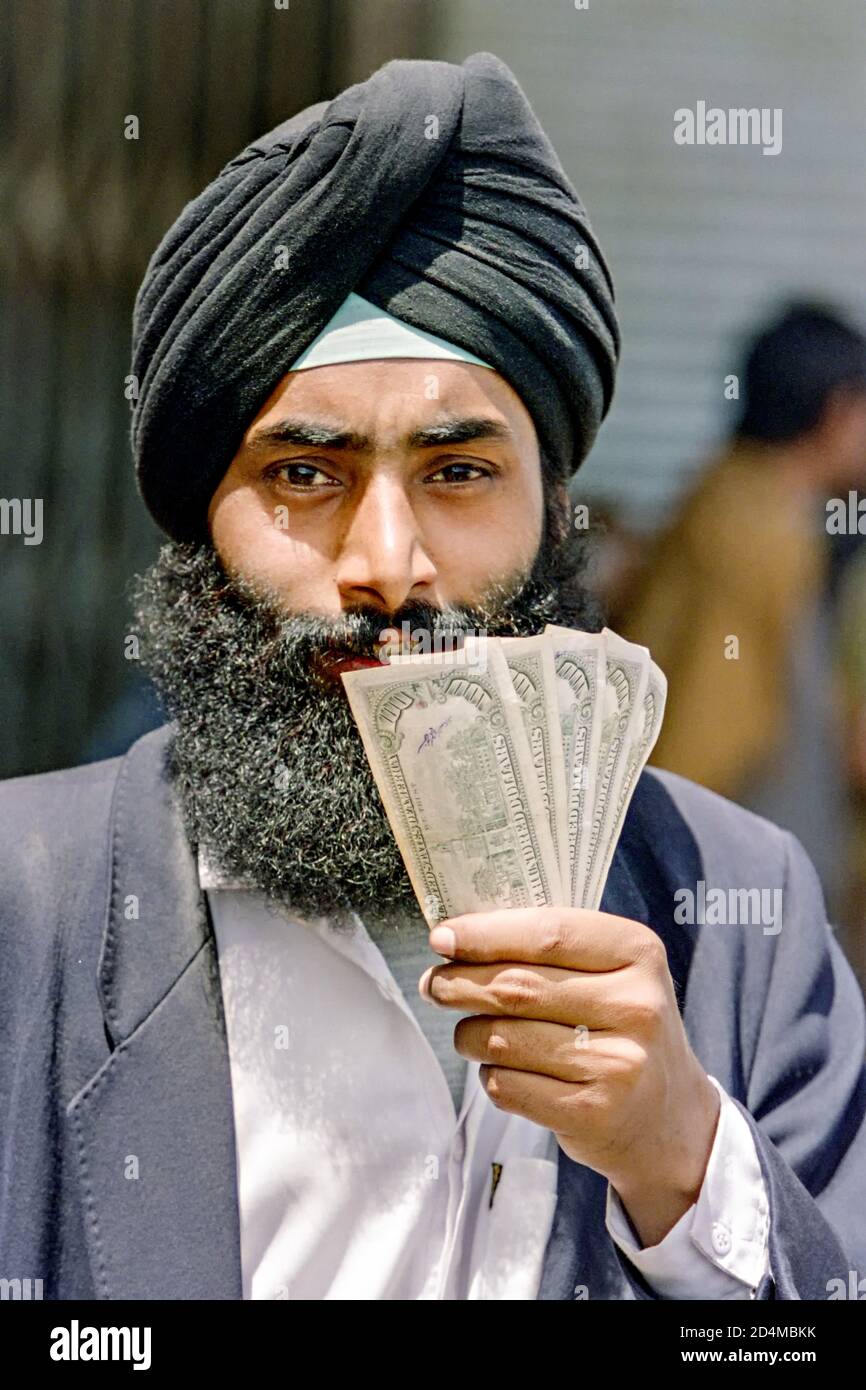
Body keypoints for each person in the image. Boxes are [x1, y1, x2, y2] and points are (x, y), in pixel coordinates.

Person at [2, 52, 865, 1302]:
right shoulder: (35, 914)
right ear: (199, 527)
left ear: (553, 509)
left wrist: (682, 1158)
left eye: (457, 474)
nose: (387, 566)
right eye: (305, 475)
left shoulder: (740, 914)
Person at [622, 305, 866, 896]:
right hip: (724, 885)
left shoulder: (736, 494)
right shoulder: (760, 530)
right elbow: (708, 736)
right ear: (837, 413)